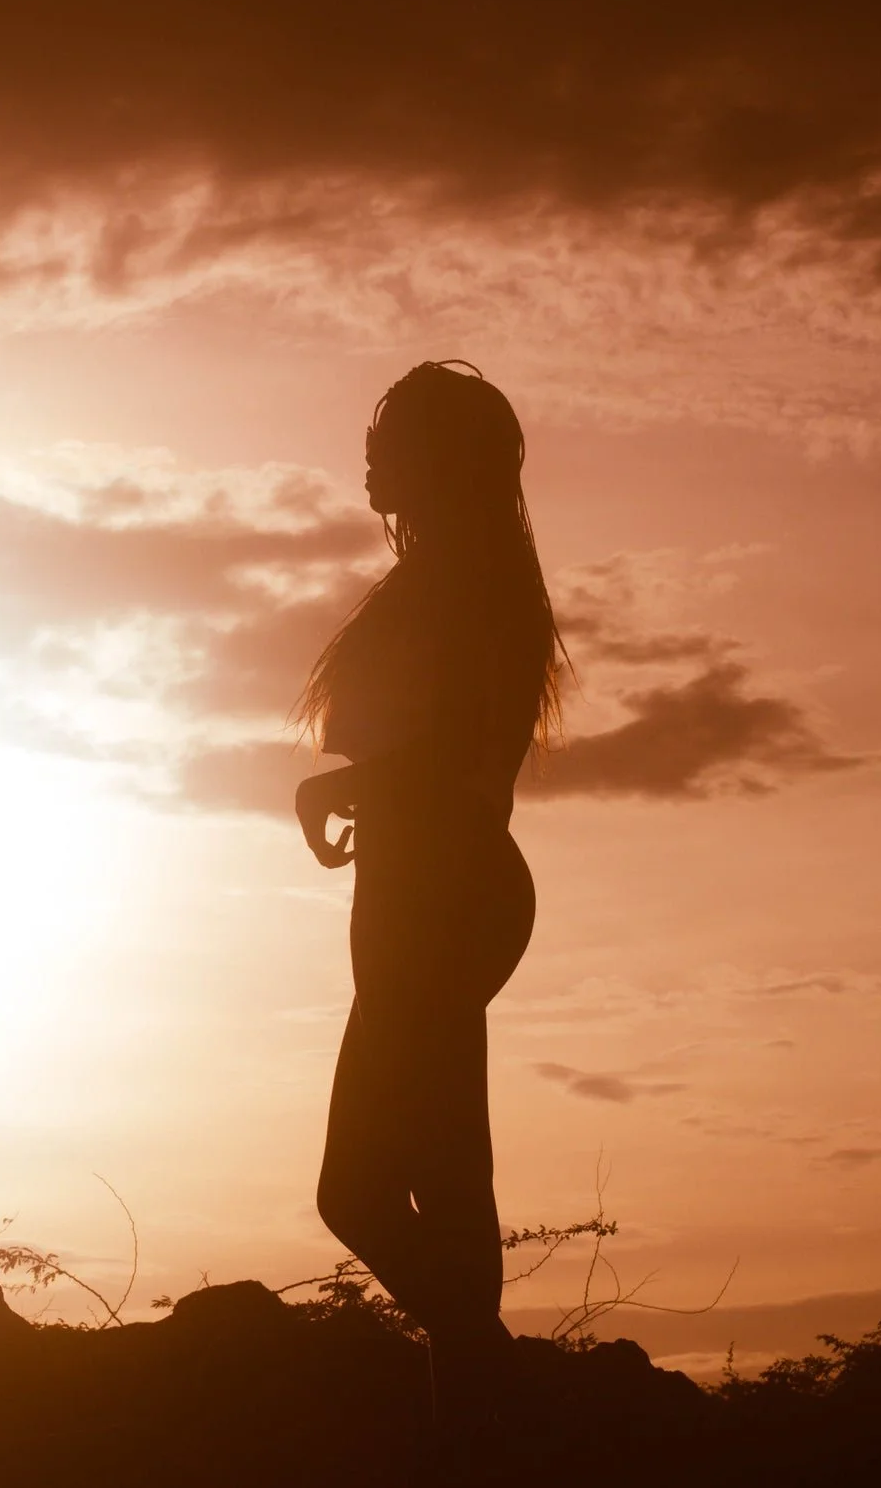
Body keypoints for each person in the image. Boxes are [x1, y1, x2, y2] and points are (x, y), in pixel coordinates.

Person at [293, 360, 564, 1427]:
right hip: (417, 886)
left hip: (442, 890)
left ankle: (500, 1393)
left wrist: (342, 785)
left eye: (392, 439)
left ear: (441, 462)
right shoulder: (455, 578)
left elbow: (457, 759)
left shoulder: (472, 586)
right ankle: (480, 1417)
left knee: (360, 1189)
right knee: (444, 1180)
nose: (370, 458)